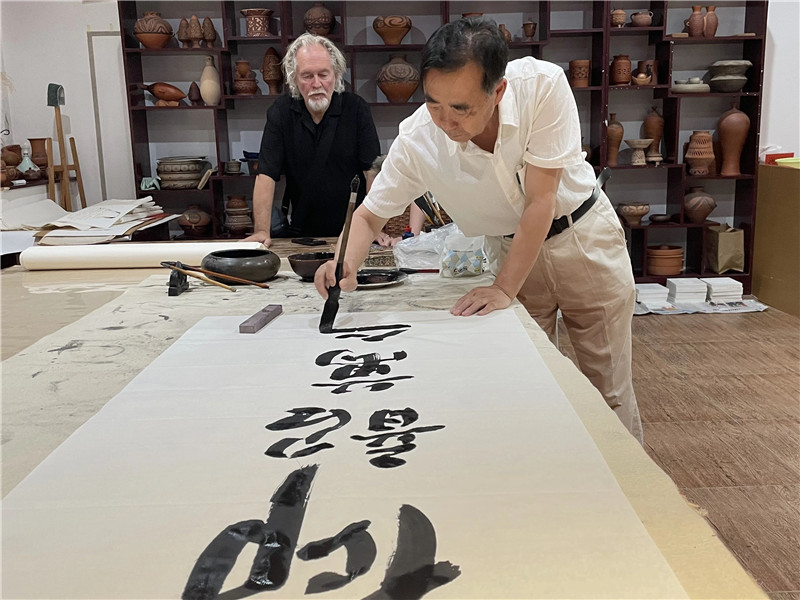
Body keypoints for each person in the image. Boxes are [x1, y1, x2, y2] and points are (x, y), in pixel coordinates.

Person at [315, 18, 643, 442]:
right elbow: (368, 216)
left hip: (580, 240)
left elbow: (540, 202)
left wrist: (504, 288)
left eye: (461, 108)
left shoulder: (542, 87)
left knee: (607, 388)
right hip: (508, 249)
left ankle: (624, 482)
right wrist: (344, 261)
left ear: (498, 91)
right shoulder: (418, 138)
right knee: (526, 383)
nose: (446, 122)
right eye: (434, 104)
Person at [244, 33, 395, 246]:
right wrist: (261, 230)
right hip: (302, 233)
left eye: (323, 74)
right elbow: (266, 175)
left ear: (336, 75)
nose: (316, 84)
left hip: (354, 230)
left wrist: (374, 227)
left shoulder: (356, 109)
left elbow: (371, 173)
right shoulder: (281, 112)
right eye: (307, 76)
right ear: (294, 79)